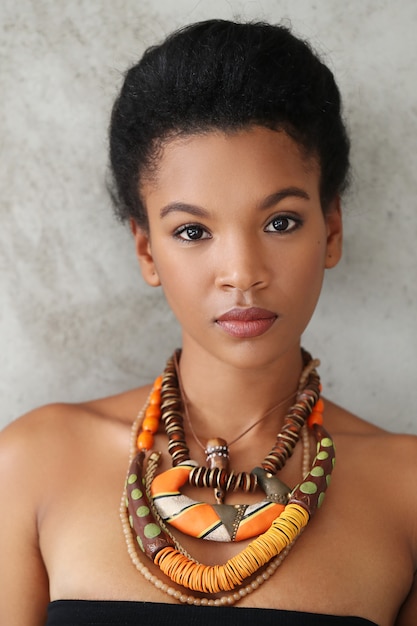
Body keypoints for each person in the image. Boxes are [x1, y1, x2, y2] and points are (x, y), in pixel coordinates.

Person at [0, 18, 416, 626]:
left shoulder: (406, 493)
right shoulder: (33, 462)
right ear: (146, 250)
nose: (242, 273)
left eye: (280, 222)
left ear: (332, 229)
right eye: (192, 232)